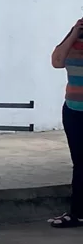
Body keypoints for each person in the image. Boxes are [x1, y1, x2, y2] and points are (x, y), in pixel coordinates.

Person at [49, 17, 83, 227]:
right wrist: (73, 34)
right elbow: (57, 61)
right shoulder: (73, 38)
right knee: (80, 163)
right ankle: (77, 212)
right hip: (73, 110)